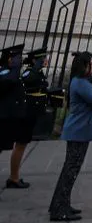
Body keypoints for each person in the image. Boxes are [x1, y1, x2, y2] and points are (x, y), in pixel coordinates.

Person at [48, 51, 92, 222]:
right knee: (70, 170)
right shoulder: (80, 82)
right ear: (84, 65)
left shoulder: (84, 81)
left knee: (71, 170)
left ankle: (61, 204)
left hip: (81, 132)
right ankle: (59, 209)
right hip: (78, 132)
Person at [9, 46, 54, 190]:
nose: (45, 61)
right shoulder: (30, 72)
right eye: (43, 59)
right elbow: (25, 81)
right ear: (35, 60)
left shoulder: (37, 72)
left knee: (22, 144)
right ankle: (13, 178)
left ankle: (14, 176)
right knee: (20, 144)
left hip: (30, 114)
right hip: (25, 114)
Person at [1, 45, 29, 182]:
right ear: (9, 59)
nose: (20, 60)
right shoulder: (4, 73)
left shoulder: (12, 73)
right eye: (17, 58)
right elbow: (10, 80)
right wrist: (15, 68)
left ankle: (14, 178)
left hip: (10, 118)